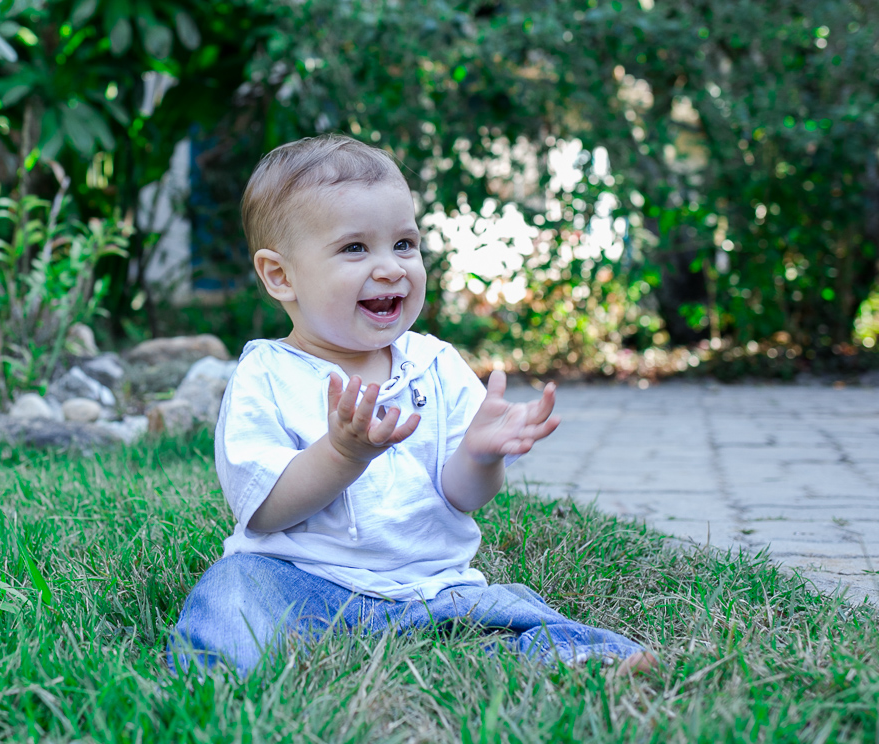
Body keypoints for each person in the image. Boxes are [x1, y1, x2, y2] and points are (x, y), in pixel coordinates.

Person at [169, 134, 655, 677]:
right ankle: (216, 677)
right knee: (235, 593)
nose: (392, 267)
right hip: (301, 581)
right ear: (281, 275)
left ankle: (566, 656)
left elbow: (462, 497)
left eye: (404, 244)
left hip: (432, 586)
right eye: (355, 248)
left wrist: (480, 455)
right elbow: (264, 509)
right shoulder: (267, 374)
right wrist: (342, 454)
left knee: (510, 610)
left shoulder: (434, 364)